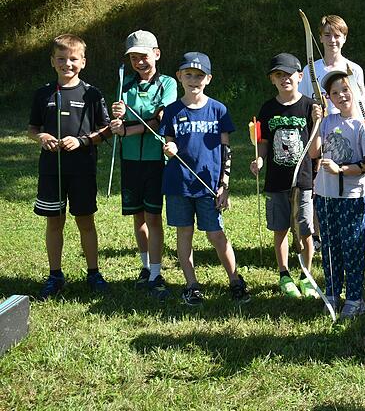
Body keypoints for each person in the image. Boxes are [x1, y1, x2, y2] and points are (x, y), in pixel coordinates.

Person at [159, 52, 250, 305]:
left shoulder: (218, 110)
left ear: (208, 79)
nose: (193, 80)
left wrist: (225, 185)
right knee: (184, 233)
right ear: (179, 77)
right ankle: (191, 284)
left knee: (216, 234)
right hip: (179, 185)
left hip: (209, 186)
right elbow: (169, 143)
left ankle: (235, 280)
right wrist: (170, 148)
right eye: (188, 74)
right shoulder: (172, 111)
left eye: (199, 75)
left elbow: (225, 150)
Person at [28, 34, 112, 299]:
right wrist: (41, 137)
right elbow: (33, 129)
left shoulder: (92, 94)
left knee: (85, 221)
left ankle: (94, 273)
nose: (67, 64)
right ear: (53, 61)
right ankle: (55, 275)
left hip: (82, 169)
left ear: (83, 62)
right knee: (55, 222)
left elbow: (107, 129)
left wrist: (82, 140)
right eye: (61, 59)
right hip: (52, 170)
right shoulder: (43, 94)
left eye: (73, 59)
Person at [109, 30, 177, 299]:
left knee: (153, 217)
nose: (139, 62)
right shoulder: (125, 84)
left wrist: (127, 129)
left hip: (154, 160)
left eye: (144, 56)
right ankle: (145, 267)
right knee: (138, 216)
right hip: (129, 160)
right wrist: (116, 121)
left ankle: (157, 272)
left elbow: (161, 121)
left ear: (156, 54)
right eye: (134, 58)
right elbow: (117, 122)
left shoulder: (168, 84)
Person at [250, 53, 319, 299]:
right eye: (278, 75)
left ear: (300, 77)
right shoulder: (268, 108)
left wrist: (318, 122)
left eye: (289, 74)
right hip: (276, 181)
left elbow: (315, 149)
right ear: (272, 79)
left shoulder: (310, 106)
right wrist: (259, 158)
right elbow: (264, 141)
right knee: (280, 230)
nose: (284, 79)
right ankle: (284, 275)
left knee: (305, 231)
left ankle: (306, 276)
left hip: (302, 180)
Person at [308, 71, 365, 318]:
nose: (341, 96)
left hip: (351, 197)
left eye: (345, 90)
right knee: (330, 247)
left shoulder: (363, 123)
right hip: (326, 195)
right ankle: (333, 292)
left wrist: (342, 170)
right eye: (335, 93)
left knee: (353, 247)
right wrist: (316, 122)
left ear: (355, 91)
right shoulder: (327, 122)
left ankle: (356, 298)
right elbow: (314, 152)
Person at [299, 14, 365, 115]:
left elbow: (361, 107)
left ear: (344, 38)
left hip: (347, 128)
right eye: (327, 35)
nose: (332, 40)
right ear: (321, 38)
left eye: (337, 36)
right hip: (319, 128)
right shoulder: (309, 70)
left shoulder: (354, 70)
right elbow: (301, 104)